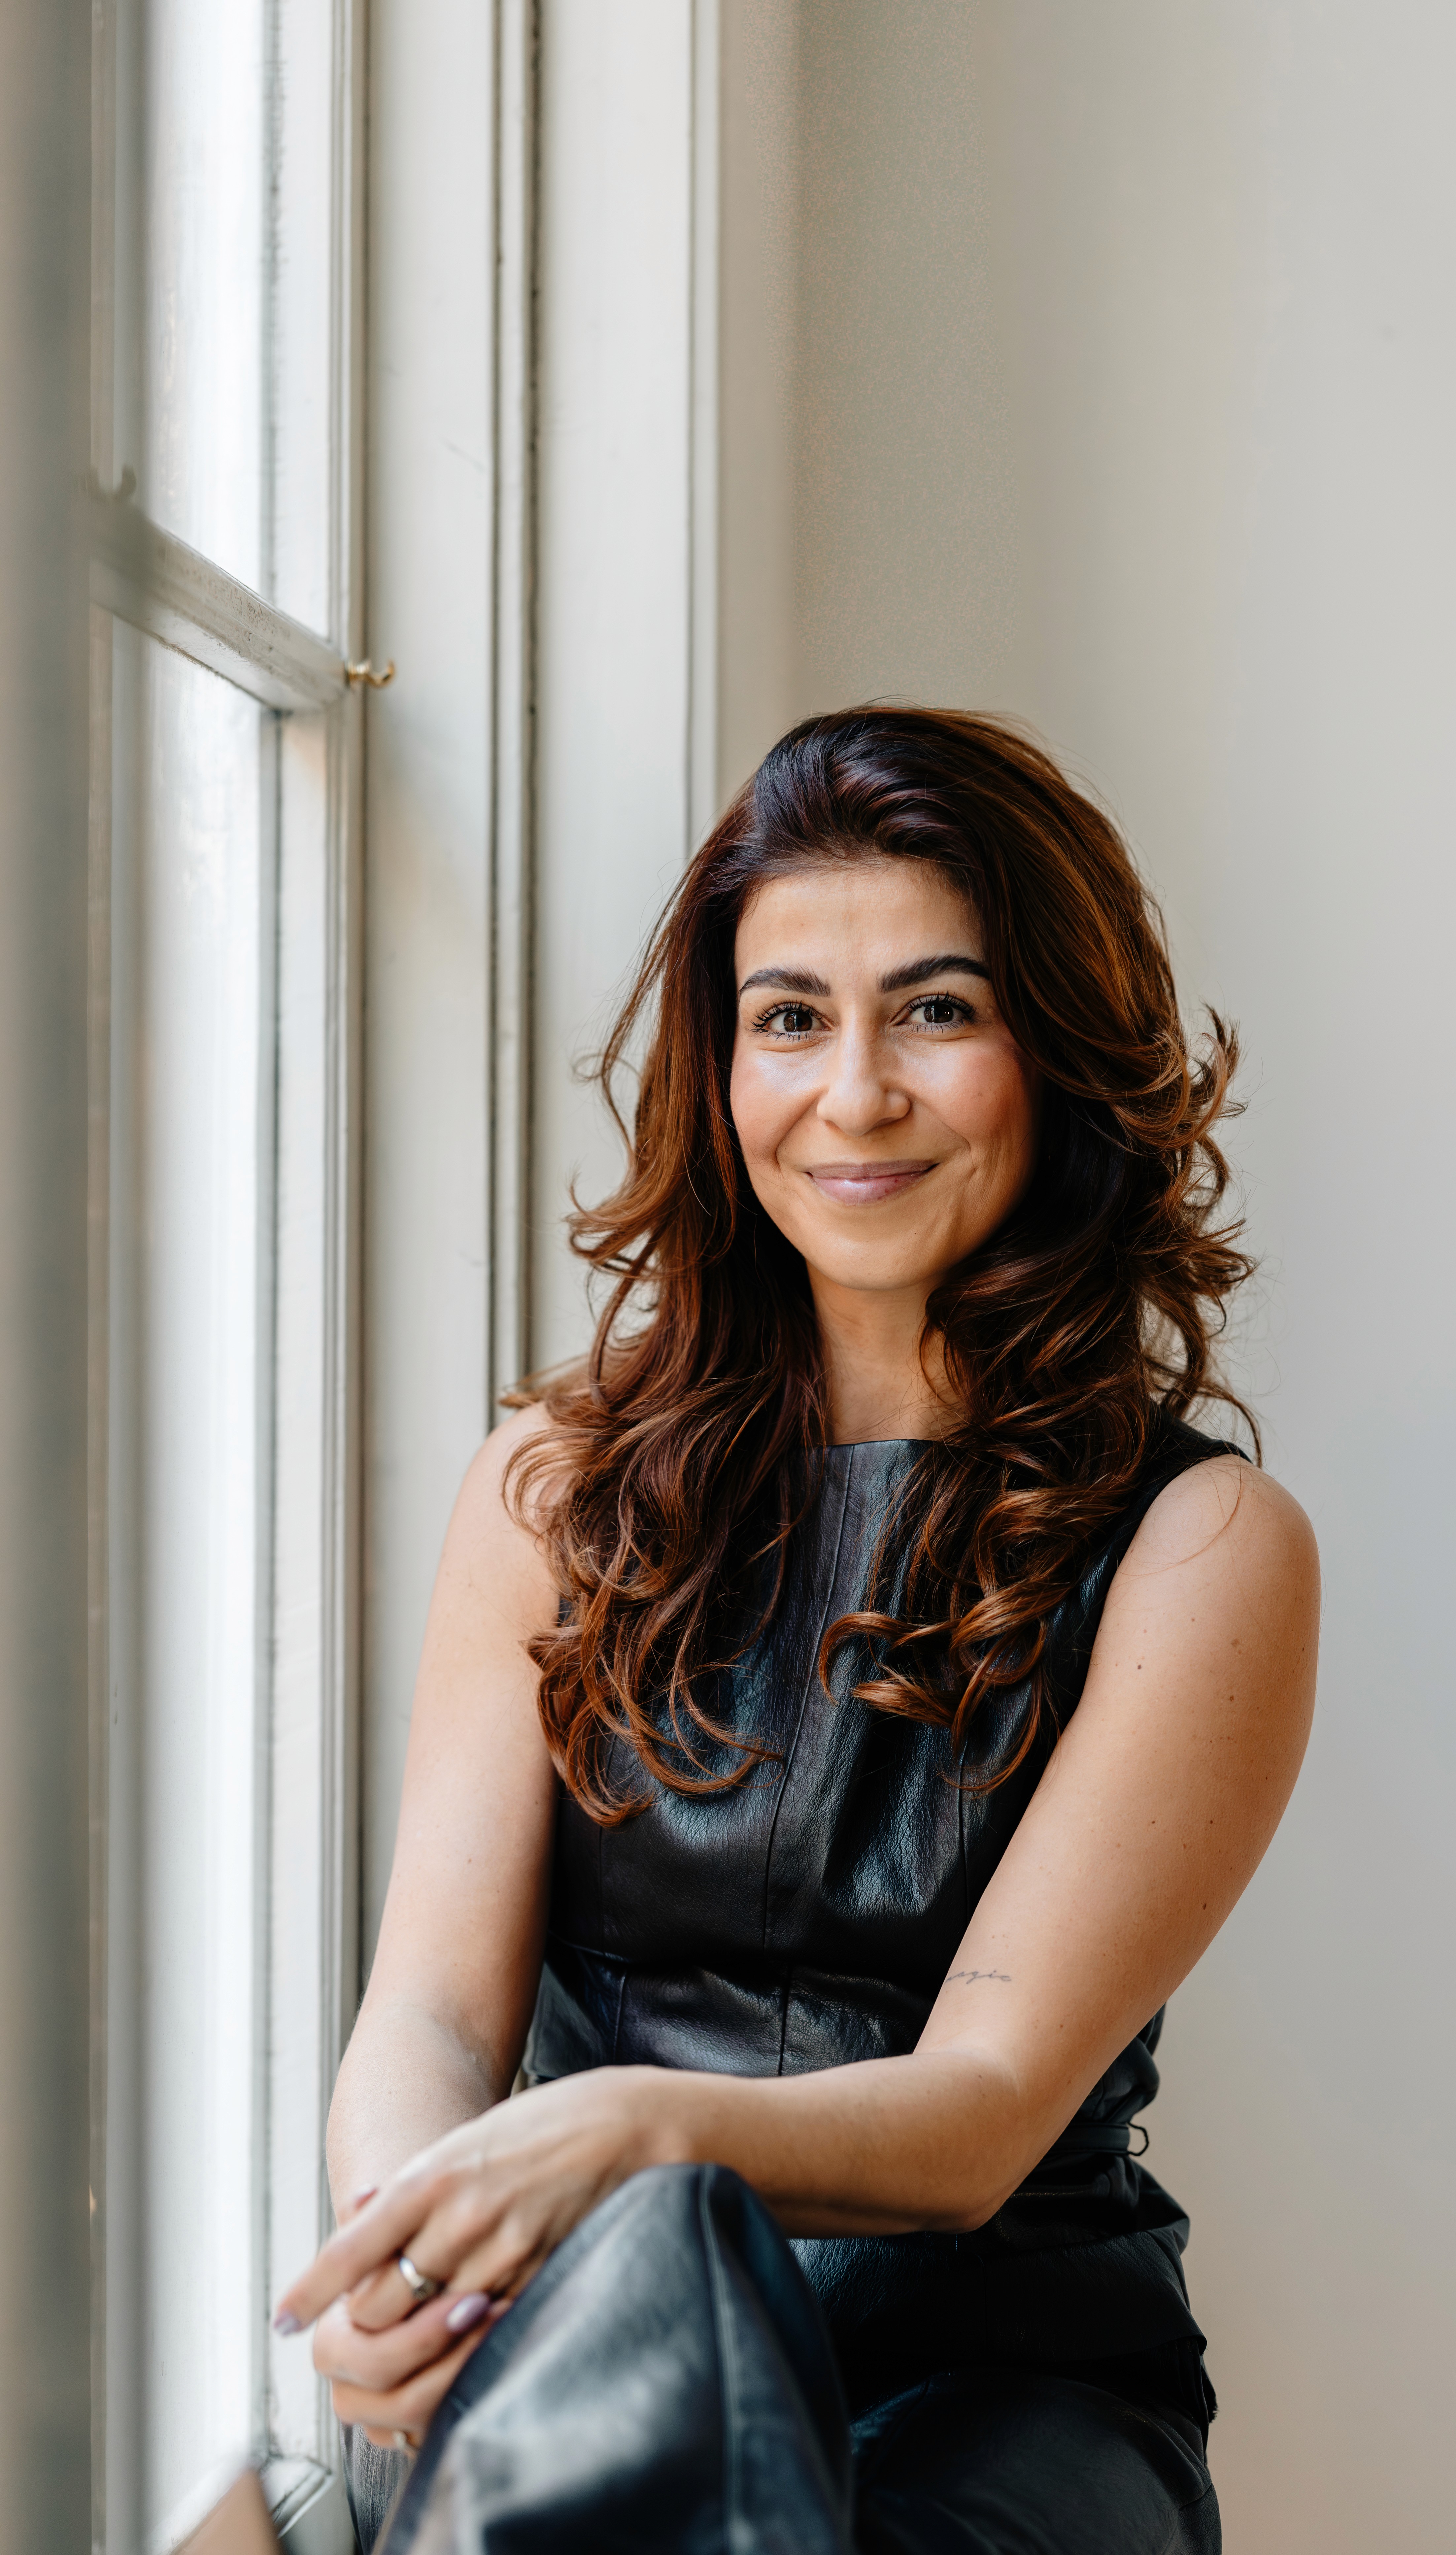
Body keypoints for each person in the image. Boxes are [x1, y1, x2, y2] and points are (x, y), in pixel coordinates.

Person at [275, 707, 1319, 2553]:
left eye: (937, 1009)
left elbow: (981, 2110)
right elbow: (432, 2009)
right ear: (720, 1066)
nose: (855, 1094)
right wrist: (406, 2243)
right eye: (788, 1019)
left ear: (1059, 1055)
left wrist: (623, 2136)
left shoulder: (1204, 1543)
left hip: (1002, 2387)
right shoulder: (558, 1481)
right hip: (586, 2324)